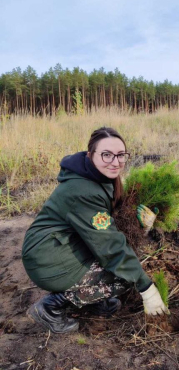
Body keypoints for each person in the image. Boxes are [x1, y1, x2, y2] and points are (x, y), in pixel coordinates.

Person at [22, 126, 168, 334]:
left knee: (122, 264)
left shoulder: (98, 176)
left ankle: (93, 300)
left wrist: (141, 224)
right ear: (91, 155)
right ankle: (51, 307)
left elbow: (109, 224)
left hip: (61, 246)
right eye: (106, 155)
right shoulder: (83, 191)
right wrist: (147, 288)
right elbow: (110, 245)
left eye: (120, 155)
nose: (115, 162)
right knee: (125, 277)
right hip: (47, 259)